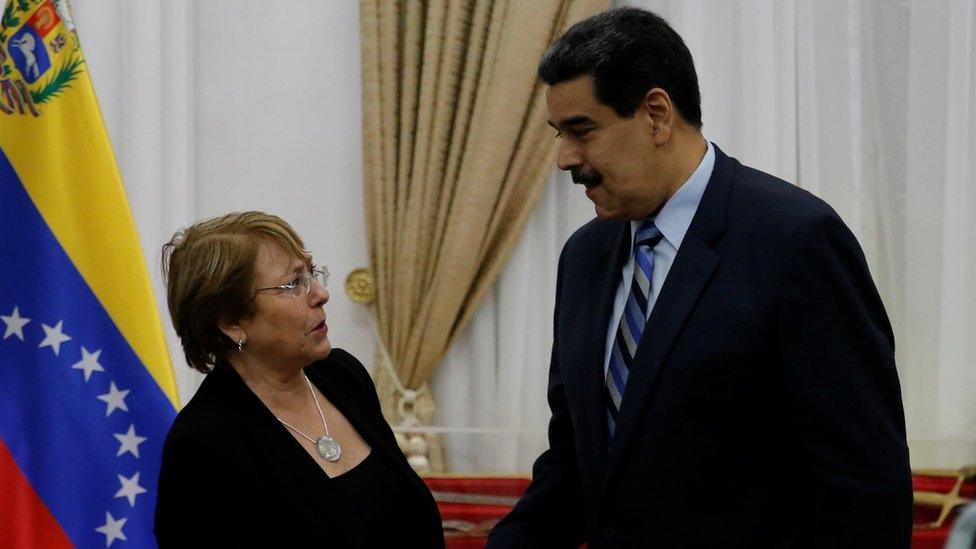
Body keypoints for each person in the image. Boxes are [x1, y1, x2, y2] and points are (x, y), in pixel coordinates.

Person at [487, 7, 912, 548]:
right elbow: (578, 458)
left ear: (657, 114)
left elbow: (863, 487)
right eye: (559, 134)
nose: (566, 158)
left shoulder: (795, 241)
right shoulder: (584, 258)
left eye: (582, 130)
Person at [154, 211, 444, 547]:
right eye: (294, 284)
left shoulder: (342, 375)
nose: (321, 293)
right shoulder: (204, 445)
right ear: (231, 320)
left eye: (311, 273)